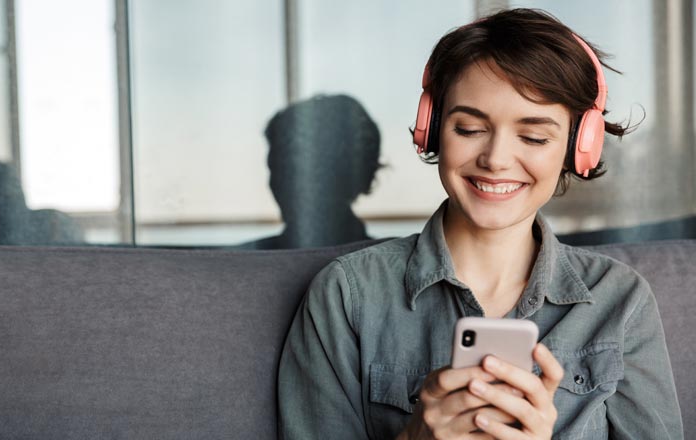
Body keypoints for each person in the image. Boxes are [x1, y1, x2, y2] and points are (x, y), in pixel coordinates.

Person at [277, 8, 683, 440]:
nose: (496, 159)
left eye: (533, 137)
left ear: (578, 145)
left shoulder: (620, 301)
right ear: (431, 128)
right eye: (469, 128)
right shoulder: (347, 295)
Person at [241, 94, 381, 249]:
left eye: (304, 173)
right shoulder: (245, 261)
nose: (280, 185)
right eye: (276, 169)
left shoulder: (391, 264)